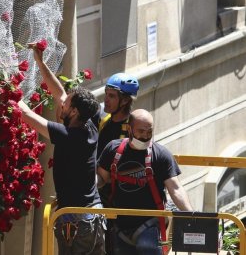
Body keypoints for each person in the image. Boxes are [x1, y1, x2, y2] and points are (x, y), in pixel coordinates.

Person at [17, 43, 106, 254]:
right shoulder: (89, 124)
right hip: (94, 214)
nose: (62, 104)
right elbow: (59, 93)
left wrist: (8, 87)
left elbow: (27, 116)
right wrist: (40, 61)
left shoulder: (69, 136)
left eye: (66, 105)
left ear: (73, 111)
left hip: (76, 220)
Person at [97, 109, 193, 255]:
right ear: (129, 129)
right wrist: (83, 191)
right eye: (141, 131)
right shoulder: (113, 150)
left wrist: (192, 216)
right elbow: (102, 178)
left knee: (146, 246)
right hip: (121, 225)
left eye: (149, 131)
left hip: (150, 223)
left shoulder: (160, 155)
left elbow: (175, 188)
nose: (145, 136)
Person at [96, 72, 139, 254]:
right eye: (106, 94)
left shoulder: (133, 128)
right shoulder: (105, 121)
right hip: (102, 194)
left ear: (124, 101)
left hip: (122, 200)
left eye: (111, 96)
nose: (106, 99)